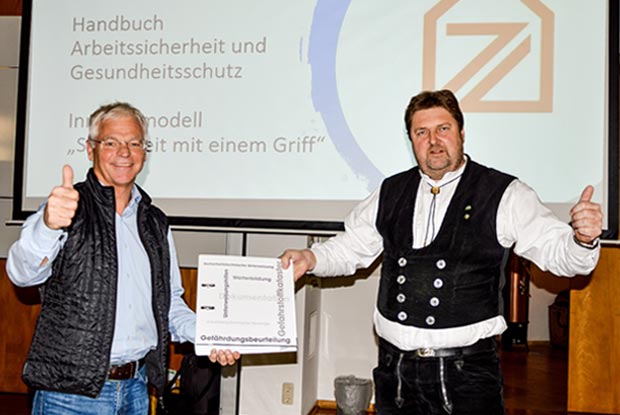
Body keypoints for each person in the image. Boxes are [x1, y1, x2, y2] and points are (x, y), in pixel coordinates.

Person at [280, 89, 602, 415]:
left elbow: (557, 252)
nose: (433, 141)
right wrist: (311, 259)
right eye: (421, 132)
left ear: (461, 133)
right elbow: (351, 247)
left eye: (443, 129)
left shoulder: (504, 193)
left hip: (467, 376)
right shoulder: (390, 191)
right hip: (396, 373)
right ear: (411, 140)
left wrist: (583, 240)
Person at [6, 102, 240, 415]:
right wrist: (48, 226)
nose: (124, 153)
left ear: (145, 152)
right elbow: (22, 274)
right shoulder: (65, 208)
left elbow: (169, 305)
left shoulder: (155, 222)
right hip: (70, 396)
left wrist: (211, 337)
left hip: (136, 391)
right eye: (111, 142)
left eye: (134, 143)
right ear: (90, 149)